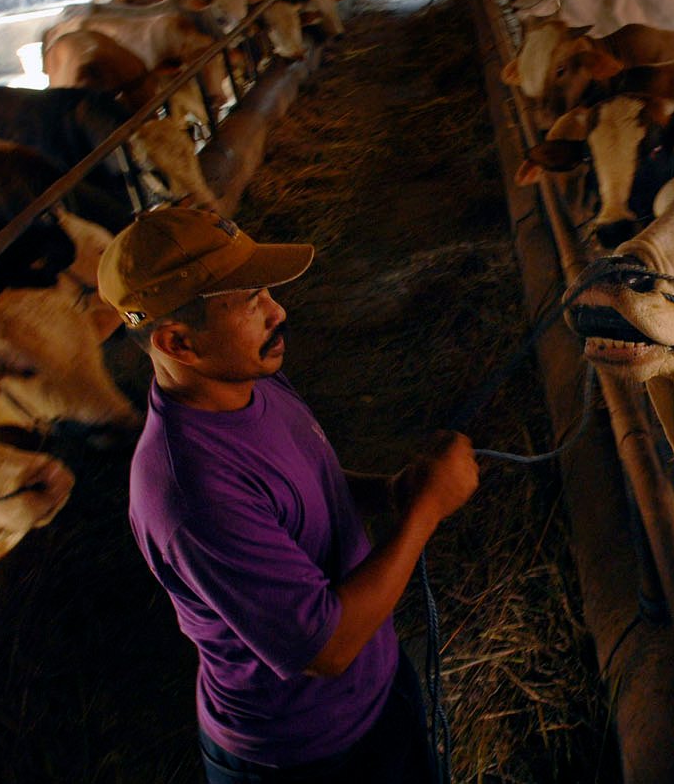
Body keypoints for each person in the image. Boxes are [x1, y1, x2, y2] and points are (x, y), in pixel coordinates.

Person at [97, 206, 479, 783]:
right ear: (179, 342)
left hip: (374, 682)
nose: (279, 310)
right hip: (307, 751)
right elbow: (324, 649)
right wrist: (426, 510)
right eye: (250, 300)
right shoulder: (190, 491)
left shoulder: (251, 377)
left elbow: (306, 481)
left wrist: (390, 492)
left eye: (266, 290)